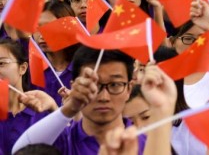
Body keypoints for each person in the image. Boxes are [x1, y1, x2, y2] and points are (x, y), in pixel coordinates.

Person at [12, 47, 146, 153]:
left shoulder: (147, 143)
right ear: (74, 87)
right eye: (93, 85)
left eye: (115, 85)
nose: (104, 97)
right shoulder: (63, 141)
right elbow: (21, 151)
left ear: (129, 89)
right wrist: (71, 107)